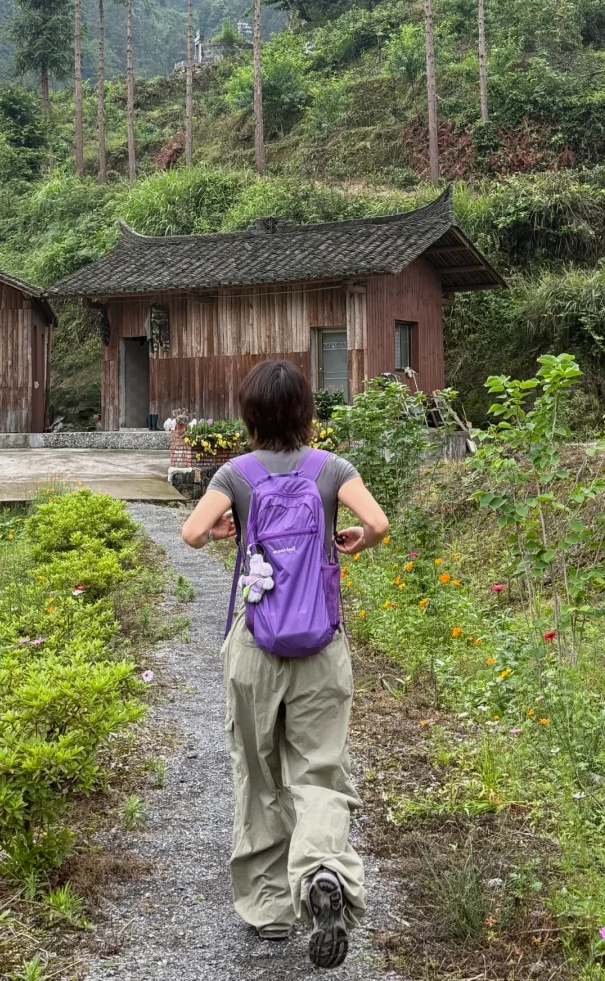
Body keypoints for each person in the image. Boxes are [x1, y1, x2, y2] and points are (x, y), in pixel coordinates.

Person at [181, 359, 390, 969]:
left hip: (255, 643)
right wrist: (356, 540)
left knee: (258, 769)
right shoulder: (332, 469)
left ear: (248, 414)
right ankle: (323, 875)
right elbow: (376, 522)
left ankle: (269, 910)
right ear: (306, 412)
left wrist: (225, 530)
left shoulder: (235, 473)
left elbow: (192, 534)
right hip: (322, 643)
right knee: (320, 772)